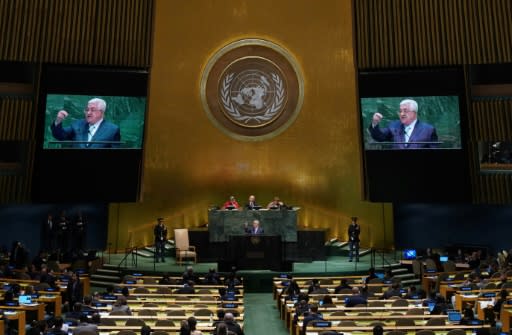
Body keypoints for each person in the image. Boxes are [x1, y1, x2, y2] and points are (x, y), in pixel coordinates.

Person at [51, 97, 121, 148]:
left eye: (92, 110)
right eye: (87, 109)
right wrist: (58, 120)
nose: (88, 112)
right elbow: (59, 135)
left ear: (101, 112)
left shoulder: (112, 130)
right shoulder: (77, 124)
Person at [368, 99, 438, 149]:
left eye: (405, 111)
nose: (402, 114)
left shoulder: (428, 130)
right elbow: (379, 137)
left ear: (414, 113)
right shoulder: (393, 126)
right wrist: (375, 123)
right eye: (400, 111)